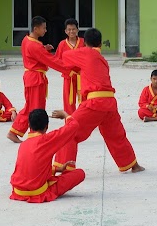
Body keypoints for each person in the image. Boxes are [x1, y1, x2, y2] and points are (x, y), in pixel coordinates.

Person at [52, 28, 144, 173]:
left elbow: (64, 56)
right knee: (116, 135)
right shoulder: (102, 60)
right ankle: (133, 165)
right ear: (100, 43)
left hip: (95, 102)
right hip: (110, 102)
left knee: (70, 130)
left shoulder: (84, 52)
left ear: (84, 42)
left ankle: (65, 166)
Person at [8, 16, 72, 143]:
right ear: (36, 28)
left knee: (30, 106)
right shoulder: (34, 45)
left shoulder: (27, 40)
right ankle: (35, 135)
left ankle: (15, 131)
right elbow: (51, 60)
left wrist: (44, 50)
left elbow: (36, 55)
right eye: (43, 28)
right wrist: (70, 69)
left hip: (32, 77)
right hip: (35, 78)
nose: (45, 30)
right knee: (36, 108)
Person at [10, 109, 85, 203]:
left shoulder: (24, 144)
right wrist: (65, 115)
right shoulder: (46, 140)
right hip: (38, 192)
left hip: (18, 191)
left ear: (29, 125)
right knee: (80, 173)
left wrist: (57, 169)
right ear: (46, 127)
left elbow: (32, 167)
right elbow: (73, 126)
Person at [55, 18, 85, 115]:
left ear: (77, 30)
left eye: (73, 29)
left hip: (82, 76)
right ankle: (70, 121)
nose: (71, 31)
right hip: (68, 76)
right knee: (68, 101)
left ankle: (84, 119)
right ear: (65, 31)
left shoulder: (83, 42)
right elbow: (57, 61)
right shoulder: (62, 44)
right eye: (69, 29)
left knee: (84, 99)